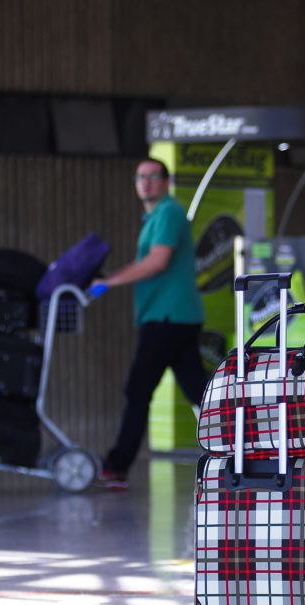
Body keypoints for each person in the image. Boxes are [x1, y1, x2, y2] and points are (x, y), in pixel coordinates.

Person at [93, 158, 209, 489]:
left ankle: (117, 465)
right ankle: (237, 449)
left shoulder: (169, 212)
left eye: (153, 177)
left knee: (138, 389)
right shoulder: (156, 216)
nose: (146, 183)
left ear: (166, 181)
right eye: (140, 177)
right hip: (176, 316)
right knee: (197, 390)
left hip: (167, 317)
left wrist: (109, 281)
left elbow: (157, 262)